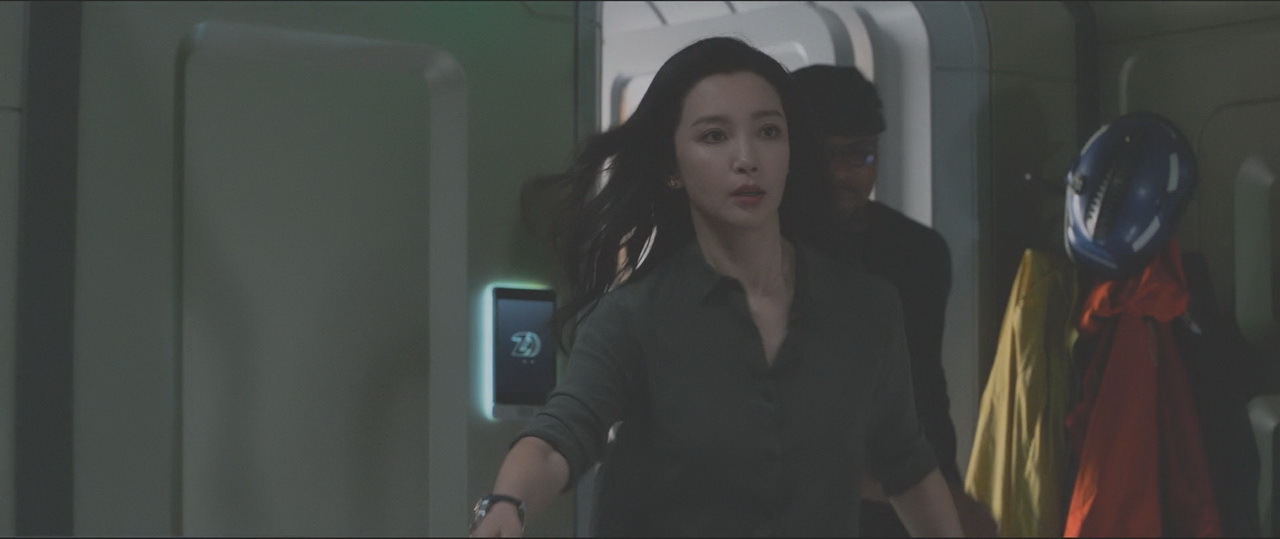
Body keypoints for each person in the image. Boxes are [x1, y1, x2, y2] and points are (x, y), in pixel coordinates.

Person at [471, 37, 963, 537]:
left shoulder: (866, 307)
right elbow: (562, 434)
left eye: (768, 132)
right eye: (714, 136)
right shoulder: (634, 316)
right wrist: (507, 504)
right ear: (672, 167)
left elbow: (906, 462)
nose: (747, 158)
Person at [792, 64, 996, 537]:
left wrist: (946, 491)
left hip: (905, 501)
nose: (841, 174)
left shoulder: (917, 252)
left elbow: (923, 389)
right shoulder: (761, 257)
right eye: (821, 157)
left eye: (859, 155)